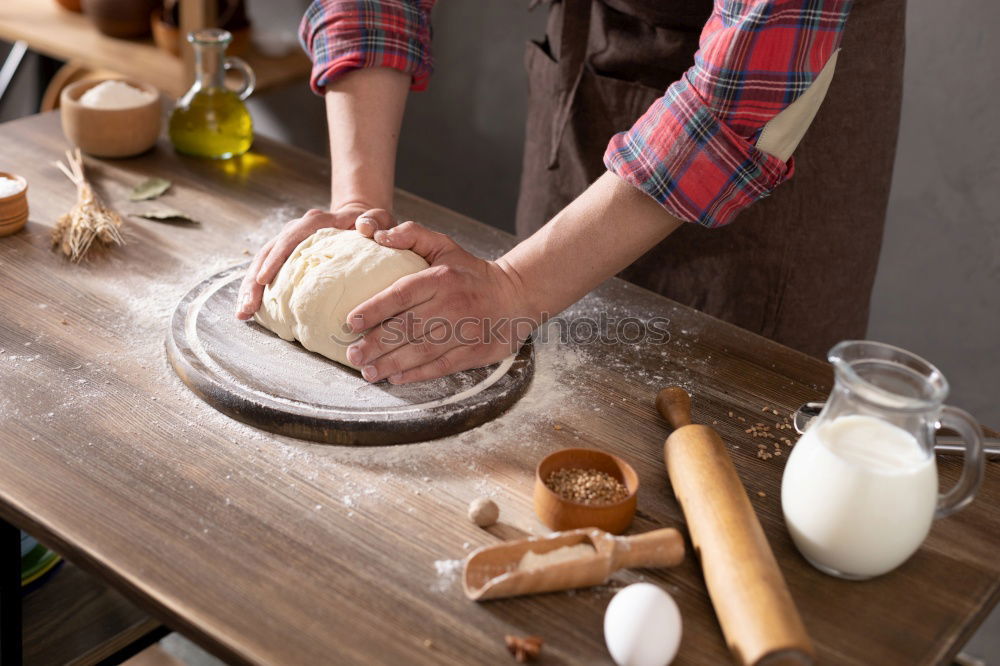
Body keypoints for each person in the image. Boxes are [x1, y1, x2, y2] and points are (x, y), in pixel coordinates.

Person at [236, 0, 904, 385]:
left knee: (729, 449)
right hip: (599, 52)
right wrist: (358, 209)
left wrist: (518, 289)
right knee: (550, 387)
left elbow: (749, 77)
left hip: (782, 99)